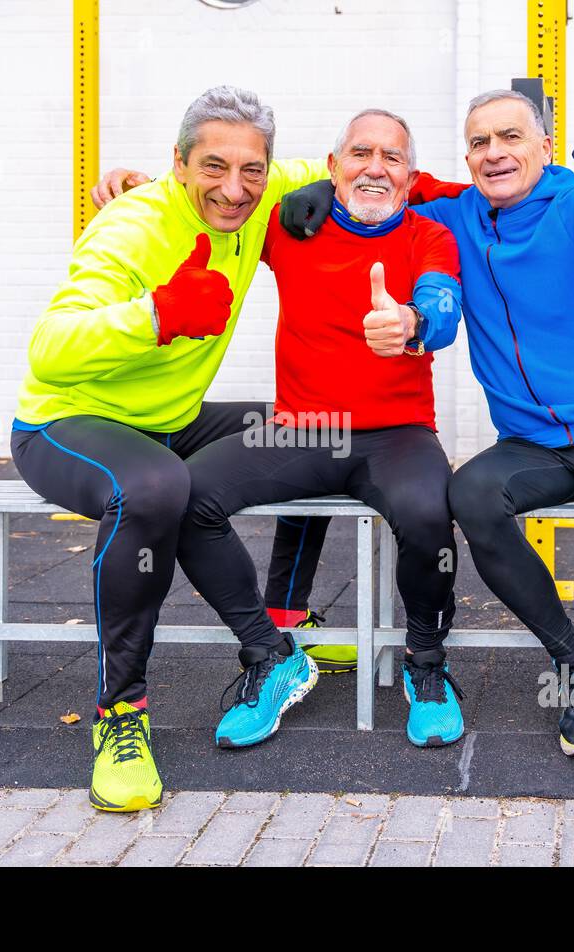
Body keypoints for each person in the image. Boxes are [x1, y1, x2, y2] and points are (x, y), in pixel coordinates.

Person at [280, 90, 574, 849]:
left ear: (547, 147)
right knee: (471, 493)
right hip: (533, 442)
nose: (493, 151)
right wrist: (311, 184)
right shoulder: (458, 212)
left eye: (511, 137)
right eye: (478, 141)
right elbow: (385, 171)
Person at [11, 85, 332, 813]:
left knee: (323, 424)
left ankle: (283, 627)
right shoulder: (130, 226)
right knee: (155, 487)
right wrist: (154, 315)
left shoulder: (265, 189)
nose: (234, 188)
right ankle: (121, 715)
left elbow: (366, 164)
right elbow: (49, 351)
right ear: (179, 165)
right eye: (213, 167)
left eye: (253, 170)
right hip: (68, 422)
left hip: (169, 415)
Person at [174, 109, 465, 749]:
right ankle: (272, 653)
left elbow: (444, 305)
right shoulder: (288, 223)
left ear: (411, 176)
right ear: (331, 167)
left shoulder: (428, 235)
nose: (376, 168)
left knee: (426, 515)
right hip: (305, 428)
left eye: (393, 158)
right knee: (186, 497)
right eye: (361, 153)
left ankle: (425, 662)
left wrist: (414, 322)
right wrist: (128, 181)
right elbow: (210, 197)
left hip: (398, 431)